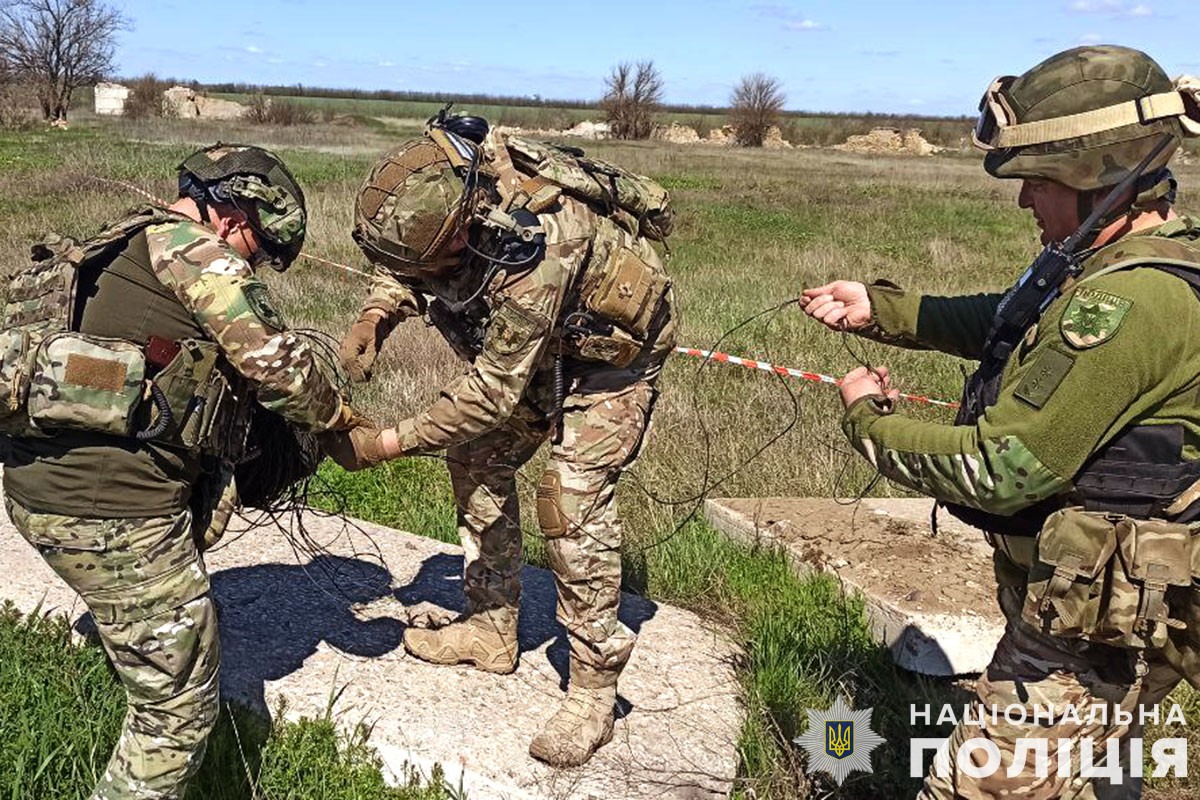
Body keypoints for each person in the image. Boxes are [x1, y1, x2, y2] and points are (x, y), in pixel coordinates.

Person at [802, 46, 1200, 798]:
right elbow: (1017, 319)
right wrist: (883, 309)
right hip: (1098, 603)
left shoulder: (1135, 301)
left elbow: (1004, 466)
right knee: (1102, 769)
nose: (1025, 204)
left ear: (1102, 182)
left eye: (1039, 182)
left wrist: (870, 423)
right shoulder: (1109, 262)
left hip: (1087, 634)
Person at [0, 143, 365, 799]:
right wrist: (341, 419)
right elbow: (285, 374)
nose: (257, 265)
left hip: (32, 490)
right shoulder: (199, 251)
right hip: (111, 517)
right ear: (234, 214)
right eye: (261, 247)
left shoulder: (115, 241)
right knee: (176, 719)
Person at [329, 114, 676, 767]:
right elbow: (405, 264)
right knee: (475, 456)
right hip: (539, 355)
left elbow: (492, 394)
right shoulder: (437, 191)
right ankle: (490, 628)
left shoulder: (542, 249)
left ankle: (595, 691)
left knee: (571, 502)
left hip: (608, 366)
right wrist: (377, 314)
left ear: (461, 230)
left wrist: (385, 444)